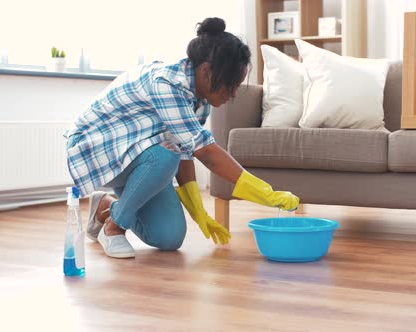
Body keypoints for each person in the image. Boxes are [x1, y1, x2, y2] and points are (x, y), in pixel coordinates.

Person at [64, 17, 299, 259]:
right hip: (96, 150)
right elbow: (205, 153)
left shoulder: (199, 99)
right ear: (206, 70)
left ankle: (105, 208)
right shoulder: (167, 83)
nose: (233, 93)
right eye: (230, 84)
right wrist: (267, 193)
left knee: (169, 237)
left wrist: (198, 210)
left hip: (137, 158)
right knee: (165, 156)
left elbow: (187, 151)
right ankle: (114, 228)